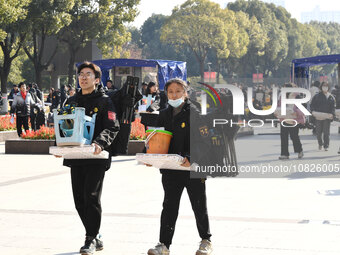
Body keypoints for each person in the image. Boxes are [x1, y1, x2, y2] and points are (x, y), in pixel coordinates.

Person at [148, 78, 212, 255]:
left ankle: (206, 240)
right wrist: (151, 156)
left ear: (185, 93)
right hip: (171, 169)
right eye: (170, 92)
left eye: (178, 91)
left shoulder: (196, 112)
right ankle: (164, 245)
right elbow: (157, 140)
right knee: (169, 206)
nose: (174, 95)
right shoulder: (163, 114)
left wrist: (191, 157)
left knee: (199, 205)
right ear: (166, 94)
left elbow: (205, 141)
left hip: (193, 168)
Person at [62, 61, 120, 254]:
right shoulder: (71, 101)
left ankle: (90, 239)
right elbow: (63, 125)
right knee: (79, 199)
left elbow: (112, 126)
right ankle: (95, 234)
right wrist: (60, 144)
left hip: (96, 156)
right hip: (76, 156)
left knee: (91, 196)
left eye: (88, 74)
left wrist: (100, 143)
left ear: (97, 79)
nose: (83, 77)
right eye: (81, 74)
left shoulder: (105, 101)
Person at [275, 83, 305, 160]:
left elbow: (302, 108)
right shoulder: (282, 96)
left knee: (294, 136)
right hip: (284, 119)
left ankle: (299, 150)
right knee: (283, 137)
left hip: (293, 119)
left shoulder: (297, 96)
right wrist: (277, 112)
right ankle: (284, 154)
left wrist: (297, 112)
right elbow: (278, 106)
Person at [310, 82, 335, 151]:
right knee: (318, 133)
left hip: (327, 117)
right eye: (324, 86)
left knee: (326, 132)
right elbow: (312, 105)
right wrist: (313, 112)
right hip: (318, 116)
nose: (325, 87)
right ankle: (320, 143)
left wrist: (332, 114)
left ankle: (326, 145)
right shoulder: (317, 96)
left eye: (326, 86)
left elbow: (333, 107)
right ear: (321, 87)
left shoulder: (330, 96)